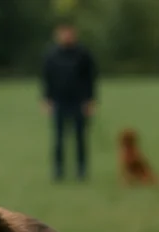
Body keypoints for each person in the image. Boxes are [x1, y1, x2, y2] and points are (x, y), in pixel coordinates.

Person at [41, 20, 99, 182]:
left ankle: (81, 170)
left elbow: (90, 79)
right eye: (63, 32)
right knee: (58, 139)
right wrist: (46, 99)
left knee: (80, 137)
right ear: (57, 34)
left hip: (79, 101)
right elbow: (47, 78)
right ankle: (58, 170)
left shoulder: (83, 54)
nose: (66, 36)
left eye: (69, 32)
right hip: (59, 101)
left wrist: (90, 100)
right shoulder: (51, 55)